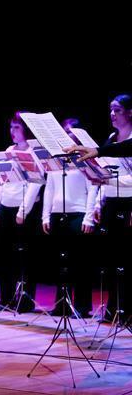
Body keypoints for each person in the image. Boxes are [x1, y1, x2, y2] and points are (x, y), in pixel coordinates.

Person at [41, 118, 98, 317]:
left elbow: (93, 187)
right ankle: (61, 304)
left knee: (80, 263)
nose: (67, 136)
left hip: (78, 214)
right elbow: (49, 188)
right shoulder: (56, 158)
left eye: (71, 133)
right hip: (58, 214)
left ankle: (82, 306)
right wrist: (45, 216)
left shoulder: (85, 158)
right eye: (65, 132)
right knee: (61, 263)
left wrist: (89, 217)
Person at [0, 112, 43, 312]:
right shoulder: (9, 150)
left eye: (17, 127)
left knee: (26, 258)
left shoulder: (35, 151)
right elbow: (2, 181)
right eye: (11, 127)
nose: (12, 131)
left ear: (26, 129)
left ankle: (26, 301)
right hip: (6, 207)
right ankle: (6, 299)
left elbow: (36, 182)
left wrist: (23, 210)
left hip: (26, 211)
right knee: (5, 257)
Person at [92, 94, 132, 320]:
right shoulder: (110, 138)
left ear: (130, 112)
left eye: (117, 110)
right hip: (111, 201)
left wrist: (108, 181)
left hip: (129, 202)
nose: (112, 114)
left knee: (126, 260)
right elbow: (104, 172)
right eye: (111, 110)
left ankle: (126, 310)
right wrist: (99, 202)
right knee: (112, 260)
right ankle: (113, 308)